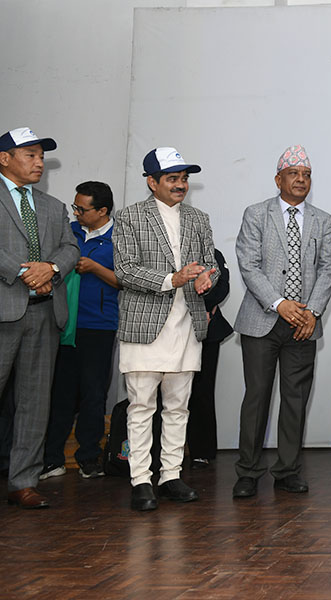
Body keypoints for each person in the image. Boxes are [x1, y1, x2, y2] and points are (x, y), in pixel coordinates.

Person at [113, 147, 218, 511]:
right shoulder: (129, 217)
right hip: (144, 324)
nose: (181, 185)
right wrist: (173, 278)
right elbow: (125, 270)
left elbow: (211, 264)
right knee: (141, 406)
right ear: (152, 182)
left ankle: (170, 476)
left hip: (187, 323)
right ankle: (141, 480)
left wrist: (207, 277)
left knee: (178, 407)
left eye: (184, 179)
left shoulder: (199, 218)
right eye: (173, 179)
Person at [231, 145, 331, 499]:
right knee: (257, 398)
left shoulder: (323, 220)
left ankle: (288, 471)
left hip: (303, 323)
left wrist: (313, 311)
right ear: (278, 179)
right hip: (262, 320)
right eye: (294, 174)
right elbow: (248, 264)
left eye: (306, 175)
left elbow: (328, 269)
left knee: (295, 400)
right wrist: (279, 304)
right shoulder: (256, 214)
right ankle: (248, 472)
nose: (301, 180)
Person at [0, 127, 79, 509]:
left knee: (35, 403)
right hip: (4, 311)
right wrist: (23, 272)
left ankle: (23, 482)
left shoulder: (52, 205)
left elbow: (70, 247)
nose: (39, 162)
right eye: (30, 155)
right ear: (4, 158)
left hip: (44, 314)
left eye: (41, 156)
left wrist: (51, 268)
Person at [42, 181, 120, 480]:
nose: (76, 213)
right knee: (59, 393)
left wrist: (95, 268)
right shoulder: (69, 233)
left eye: (82, 209)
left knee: (93, 393)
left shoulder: (120, 238)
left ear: (102, 211)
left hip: (98, 326)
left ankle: (88, 457)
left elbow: (125, 280)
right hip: (63, 323)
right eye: (74, 207)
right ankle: (52, 459)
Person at [186, 248, 232, 469]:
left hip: (208, 330)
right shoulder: (165, 250)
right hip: (169, 329)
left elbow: (222, 287)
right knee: (165, 393)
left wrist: (203, 308)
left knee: (202, 391)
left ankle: (201, 451)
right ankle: (159, 453)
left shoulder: (213, 253)